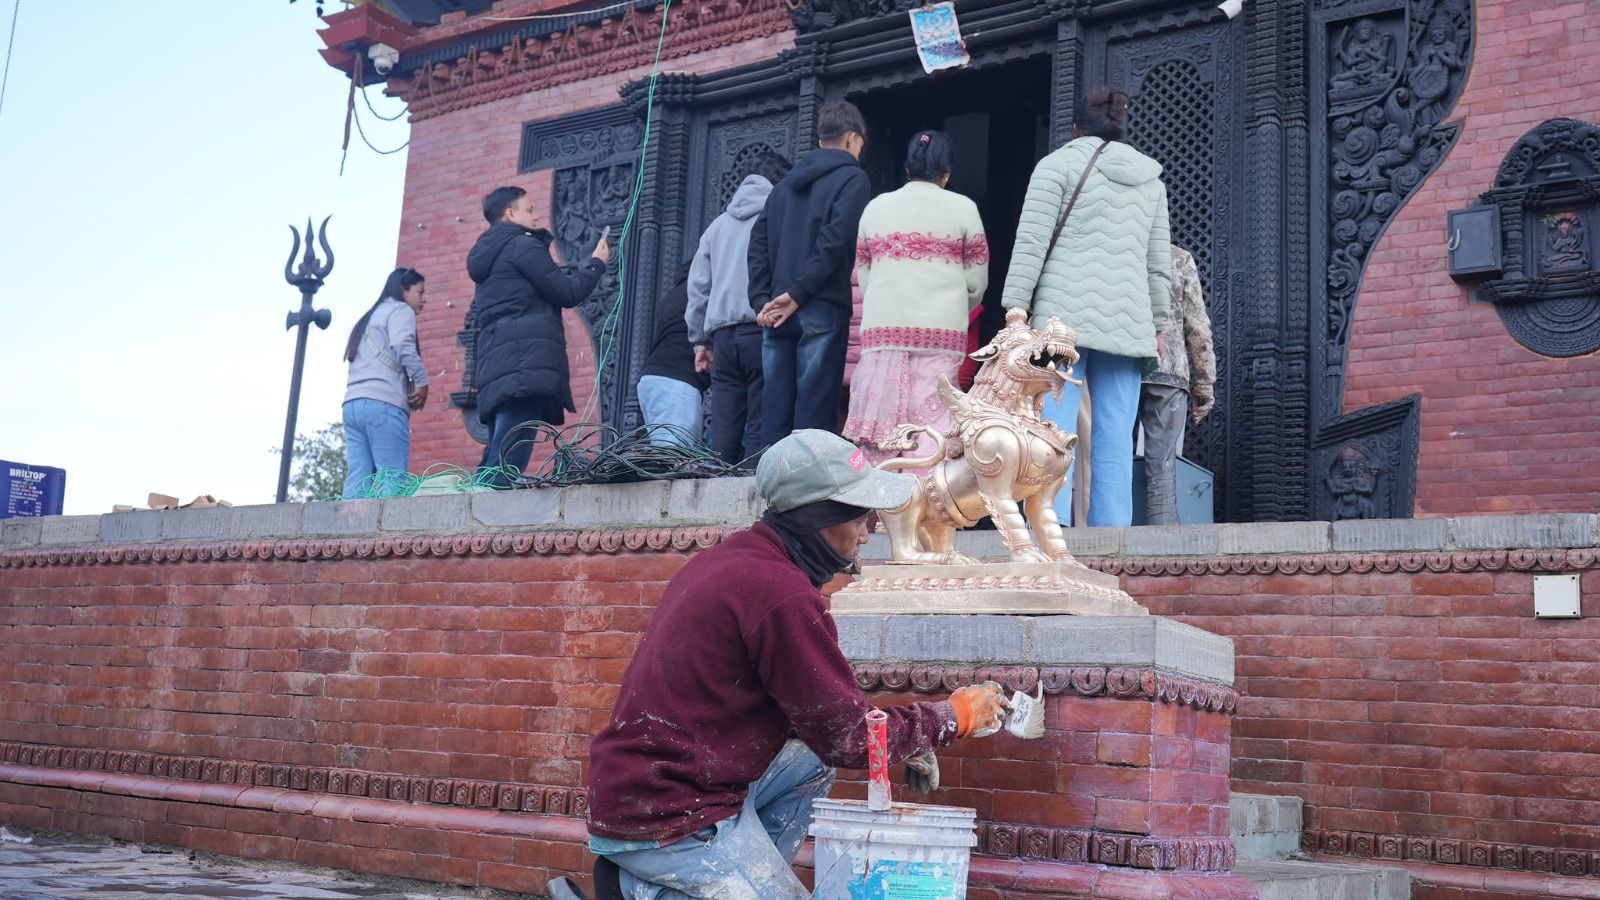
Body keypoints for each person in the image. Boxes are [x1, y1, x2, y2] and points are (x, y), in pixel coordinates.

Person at [547, 430, 1011, 900]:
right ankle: (644, 889)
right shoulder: (780, 593)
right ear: (817, 519)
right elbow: (847, 739)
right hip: (668, 814)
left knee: (810, 762)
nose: (867, 532)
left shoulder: (735, 561)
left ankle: (714, 883)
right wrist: (954, 716)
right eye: (859, 516)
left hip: (655, 788)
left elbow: (823, 721)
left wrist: (901, 738)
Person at [1001, 87, 1172, 527]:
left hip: (1061, 321)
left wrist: (1016, 306)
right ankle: (1112, 533)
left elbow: (1031, 242)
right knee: (1116, 432)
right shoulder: (1150, 181)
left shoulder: (1055, 166)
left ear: (1076, 128)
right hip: (1128, 320)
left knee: (1053, 427)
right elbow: (1158, 264)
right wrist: (1158, 324)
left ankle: (1049, 522)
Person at [844, 130, 988, 467]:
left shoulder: (875, 208)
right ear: (946, 173)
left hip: (882, 332)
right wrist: (954, 307)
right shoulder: (964, 208)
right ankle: (925, 492)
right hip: (941, 332)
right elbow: (976, 281)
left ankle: (872, 488)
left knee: (880, 421)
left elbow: (864, 274)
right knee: (931, 423)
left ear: (907, 169)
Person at [748, 101, 873, 445]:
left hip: (776, 310)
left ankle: (770, 474)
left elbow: (757, 243)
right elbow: (834, 241)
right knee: (814, 409)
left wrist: (761, 299)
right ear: (851, 139)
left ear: (820, 140)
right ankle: (807, 478)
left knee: (775, 407)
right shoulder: (853, 179)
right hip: (821, 305)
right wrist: (800, 293)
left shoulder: (782, 188)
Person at [467, 186, 611, 484]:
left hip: (498, 365)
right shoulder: (522, 245)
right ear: (511, 213)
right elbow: (567, 292)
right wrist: (597, 263)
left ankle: (477, 508)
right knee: (507, 463)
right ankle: (487, 512)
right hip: (525, 365)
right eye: (529, 209)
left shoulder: (488, 256)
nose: (535, 216)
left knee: (496, 456)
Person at [686, 152, 792, 465]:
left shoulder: (717, 227)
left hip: (722, 338)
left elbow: (698, 288)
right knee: (761, 416)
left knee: (724, 422)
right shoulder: (779, 218)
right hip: (761, 329)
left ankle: (717, 483)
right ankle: (750, 484)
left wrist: (699, 342)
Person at [1140, 246, 1215, 525]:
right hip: (1169, 371)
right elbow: (1198, 327)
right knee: (1162, 464)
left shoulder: (1121, 248)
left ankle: (1111, 528)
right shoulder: (1179, 258)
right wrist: (1204, 385)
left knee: (1112, 452)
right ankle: (1162, 531)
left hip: (1119, 366)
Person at [340, 267, 429, 499]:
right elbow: (402, 345)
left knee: (358, 479)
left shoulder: (368, 317)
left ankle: (349, 522)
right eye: (420, 292)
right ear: (404, 290)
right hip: (384, 403)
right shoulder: (401, 310)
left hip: (352, 404)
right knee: (392, 478)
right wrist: (422, 382)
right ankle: (387, 526)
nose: (424, 299)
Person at [637, 261, 709, 447]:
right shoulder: (702, 291)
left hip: (654, 379)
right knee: (675, 456)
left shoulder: (674, 294)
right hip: (677, 382)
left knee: (670, 453)